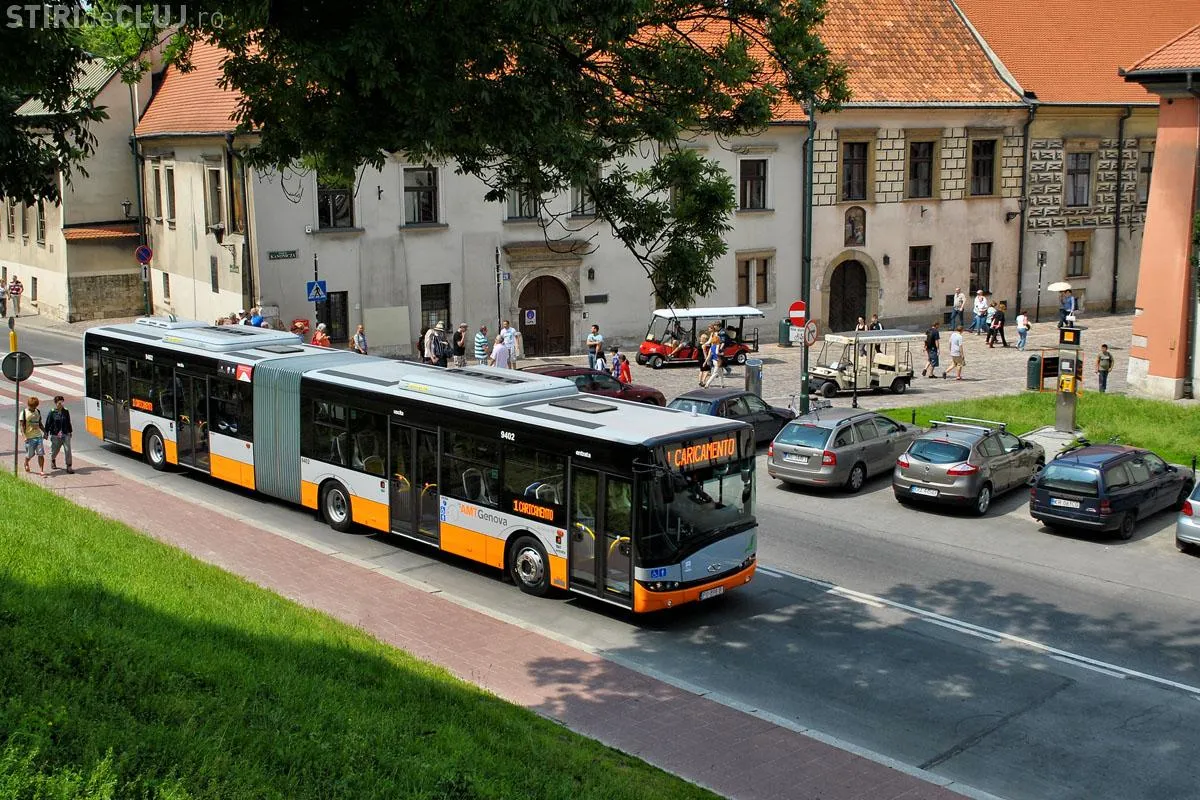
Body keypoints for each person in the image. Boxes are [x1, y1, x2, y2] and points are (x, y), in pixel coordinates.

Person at [45, 395, 74, 473]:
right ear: (56, 403)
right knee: (55, 450)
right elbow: (48, 423)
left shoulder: (66, 411)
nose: (61, 404)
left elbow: (68, 422)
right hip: (55, 434)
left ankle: (69, 466)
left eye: (62, 402)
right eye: (59, 403)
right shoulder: (52, 412)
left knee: (68, 450)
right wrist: (46, 433)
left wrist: (70, 431)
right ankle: (52, 459)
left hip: (65, 433)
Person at [20, 396, 45, 476]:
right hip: (29, 437)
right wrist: (24, 436)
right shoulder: (24, 413)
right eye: (32, 406)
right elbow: (21, 426)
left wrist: (45, 432)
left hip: (38, 436)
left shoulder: (37, 411)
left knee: (40, 454)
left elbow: (40, 423)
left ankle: (41, 470)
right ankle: (26, 462)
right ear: (29, 405)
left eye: (35, 406)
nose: (34, 408)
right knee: (30, 454)